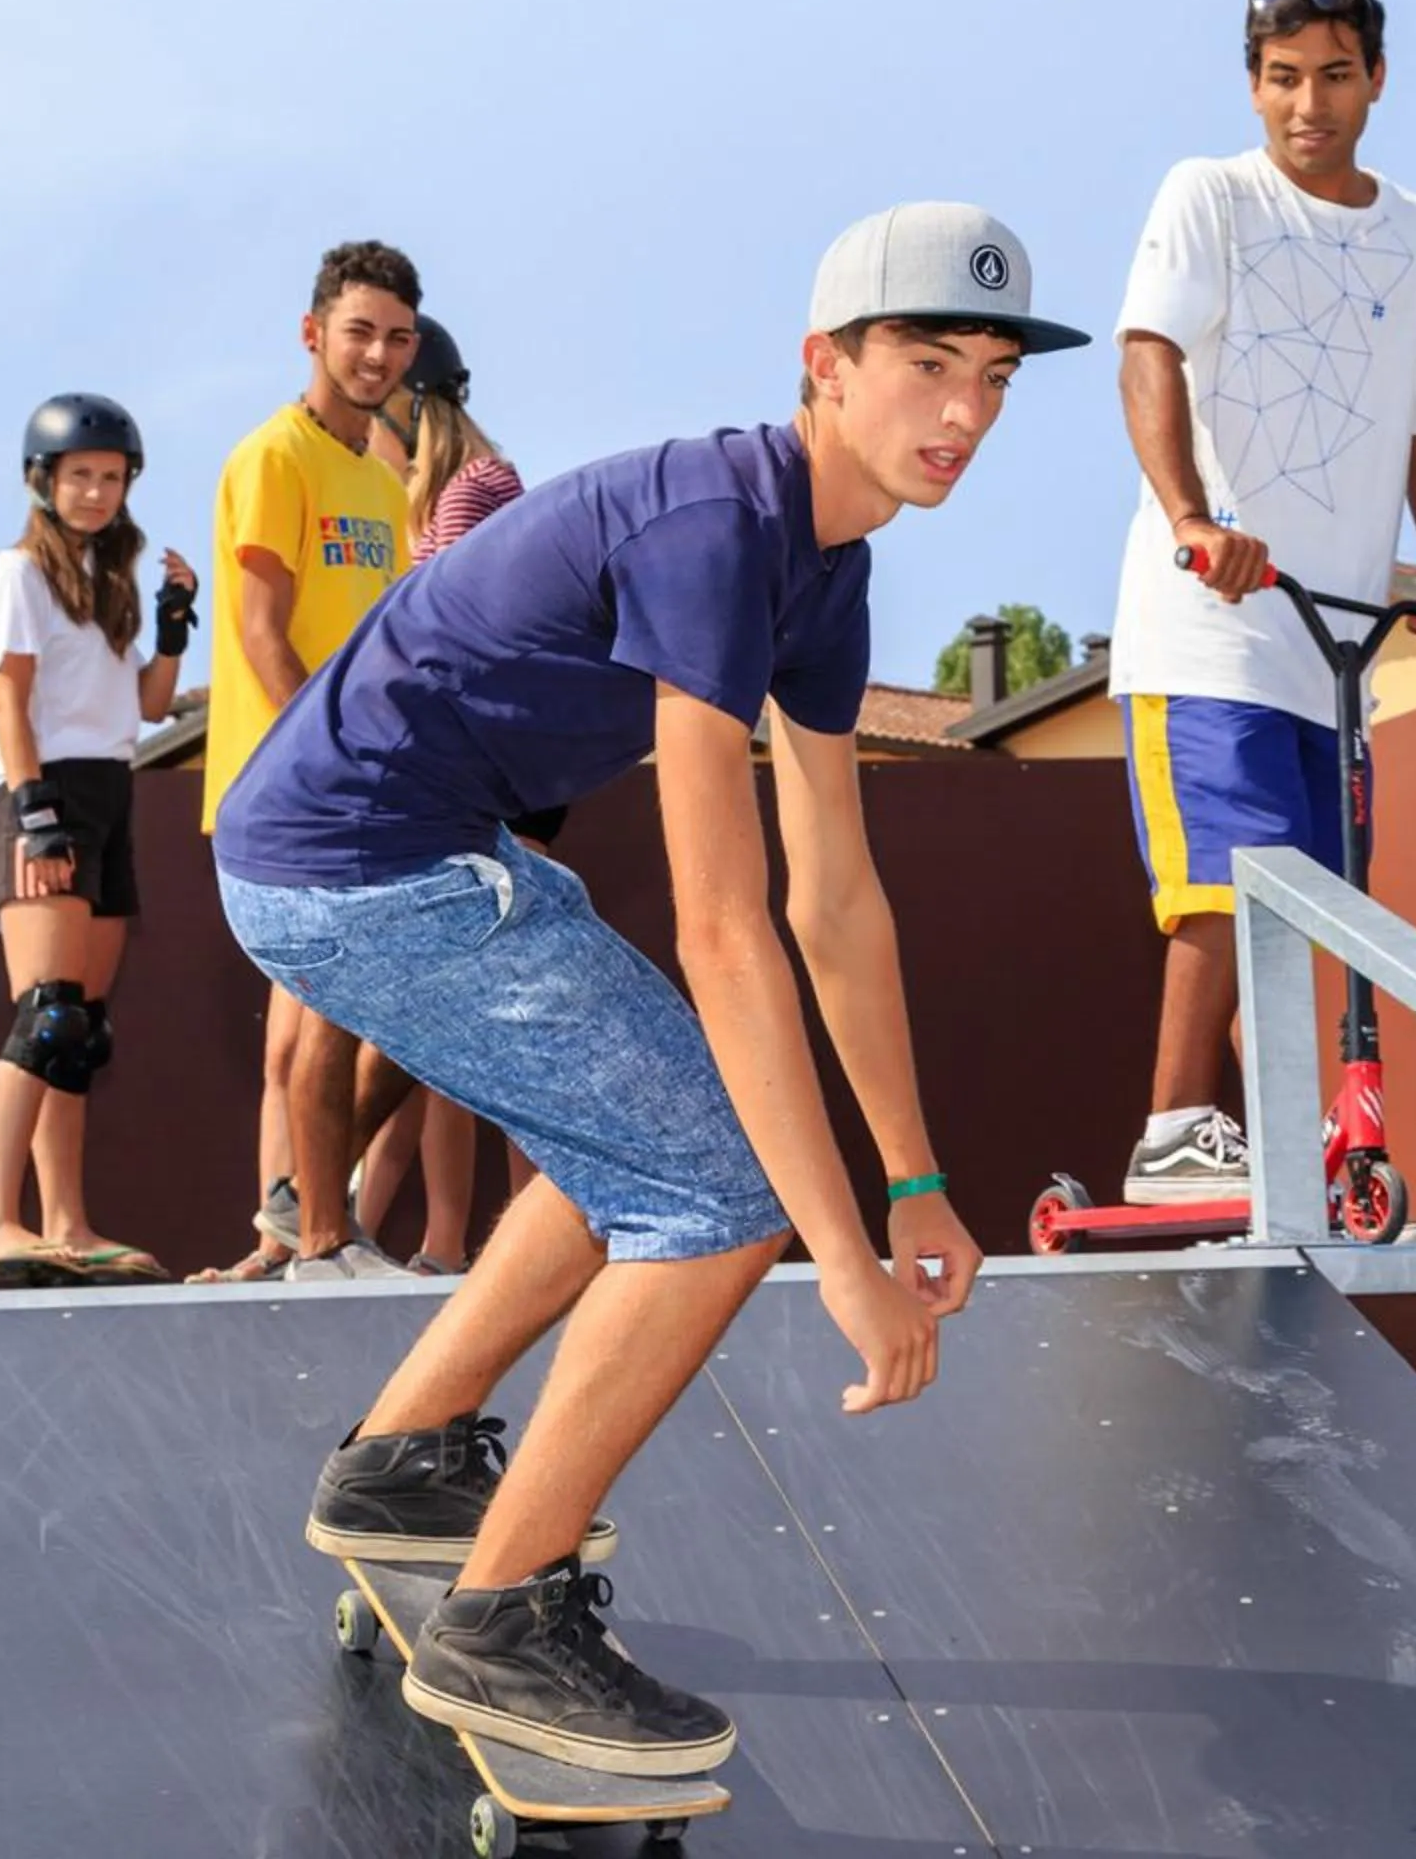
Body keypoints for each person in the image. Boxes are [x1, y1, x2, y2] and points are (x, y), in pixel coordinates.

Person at [213, 204, 1086, 1774]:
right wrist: (835, 1254)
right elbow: (727, 924)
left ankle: (405, 1462)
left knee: (650, 1123)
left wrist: (918, 1181)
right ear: (826, 364)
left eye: (1000, 377)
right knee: (720, 1189)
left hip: (407, 851)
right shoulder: (716, 532)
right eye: (930, 362)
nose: (967, 410)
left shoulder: (827, 569)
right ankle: (502, 1619)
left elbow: (837, 901)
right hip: (358, 868)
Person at [1107, 0, 1416, 1200]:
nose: (1307, 104)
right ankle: (1176, 1126)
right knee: (1226, 886)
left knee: (1306, 915)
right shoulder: (1209, 195)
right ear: (1253, 85)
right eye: (1283, 79)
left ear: (1377, 79)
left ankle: (1278, 1152)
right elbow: (1149, 352)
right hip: (1208, 620)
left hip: (1332, 651)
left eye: (1334, 75)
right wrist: (1189, 518)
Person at [191, 241, 424, 1283]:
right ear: (312, 332)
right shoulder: (271, 456)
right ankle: (317, 1235)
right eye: (358, 330)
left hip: (361, 782)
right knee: (323, 1018)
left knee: (316, 1023)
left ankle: (288, 1234)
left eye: (396, 337)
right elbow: (257, 629)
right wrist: (321, 756)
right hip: (291, 783)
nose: (376, 353)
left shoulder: (381, 472)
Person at [0, 394, 195, 1285]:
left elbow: (145, 704)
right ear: (43, 482)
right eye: (79, 477)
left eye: (111, 477)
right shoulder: (16, 573)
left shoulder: (105, 578)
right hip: (40, 792)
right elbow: (7, 702)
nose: (96, 492)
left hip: (108, 790)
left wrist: (170, 623)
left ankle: (68, 1224)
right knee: (45, 1013)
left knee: (80, 1032)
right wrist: (37, 810)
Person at [353, 315, 542, 1275]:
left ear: (412, 406)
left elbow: (473, 642)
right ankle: (433, 1246)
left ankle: (518, 1242)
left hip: (486, 781)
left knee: (504, 1023)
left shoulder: (479, 487)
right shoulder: (436, 499)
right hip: (455, 778)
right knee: (443, 1037)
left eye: (375, 412)